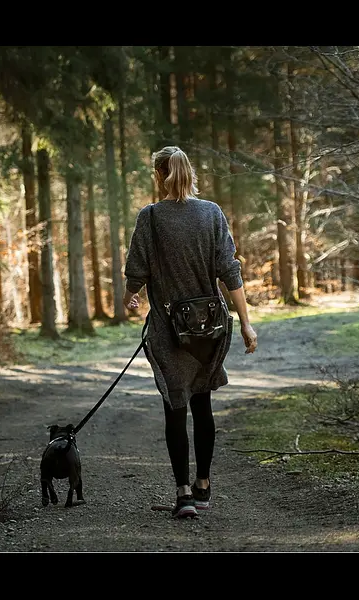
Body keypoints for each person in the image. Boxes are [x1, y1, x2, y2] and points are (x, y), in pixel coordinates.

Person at [124, 145, 258, 519]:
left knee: (175, 407)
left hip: (169, 328)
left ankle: (182, 493)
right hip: (211, 326)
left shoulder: (150, 218)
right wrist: (246, 322)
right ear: (188, 173)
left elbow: (136, 271)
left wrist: (129, 298)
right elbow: (229, 270)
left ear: (158, 175)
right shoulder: (212, 213)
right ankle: (203, 484)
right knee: (202, 404)